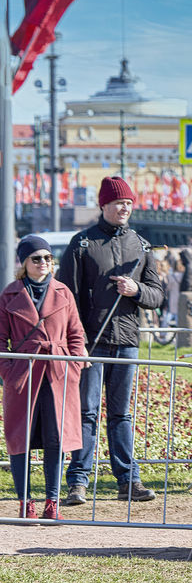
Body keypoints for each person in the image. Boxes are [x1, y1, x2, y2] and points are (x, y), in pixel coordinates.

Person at [57, 176, 164, 505]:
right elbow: (66, 295)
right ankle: (78, 481)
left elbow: (156, 295)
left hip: (127, 338)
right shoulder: (82, 243)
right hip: (90, 342)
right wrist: (74, 342)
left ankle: (128, 480)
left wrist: (137, 291)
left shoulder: (142, 246)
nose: (125, 207)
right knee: (87, 412)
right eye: (118, 202)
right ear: (103, 205)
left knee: (121, 414)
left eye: (129, 203)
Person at [0, 236, 87, 520]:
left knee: (56, 437)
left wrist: (72, 368)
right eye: (36, 258)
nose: (43, 263)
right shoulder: (10, 294)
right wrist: (9, 371)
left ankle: (52, 502)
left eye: (48, 258)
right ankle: (26, 502)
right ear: (24, 263)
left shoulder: (63, 292)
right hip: (23, 374)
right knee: (19, 438)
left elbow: (76, 334)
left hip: (58, 373)